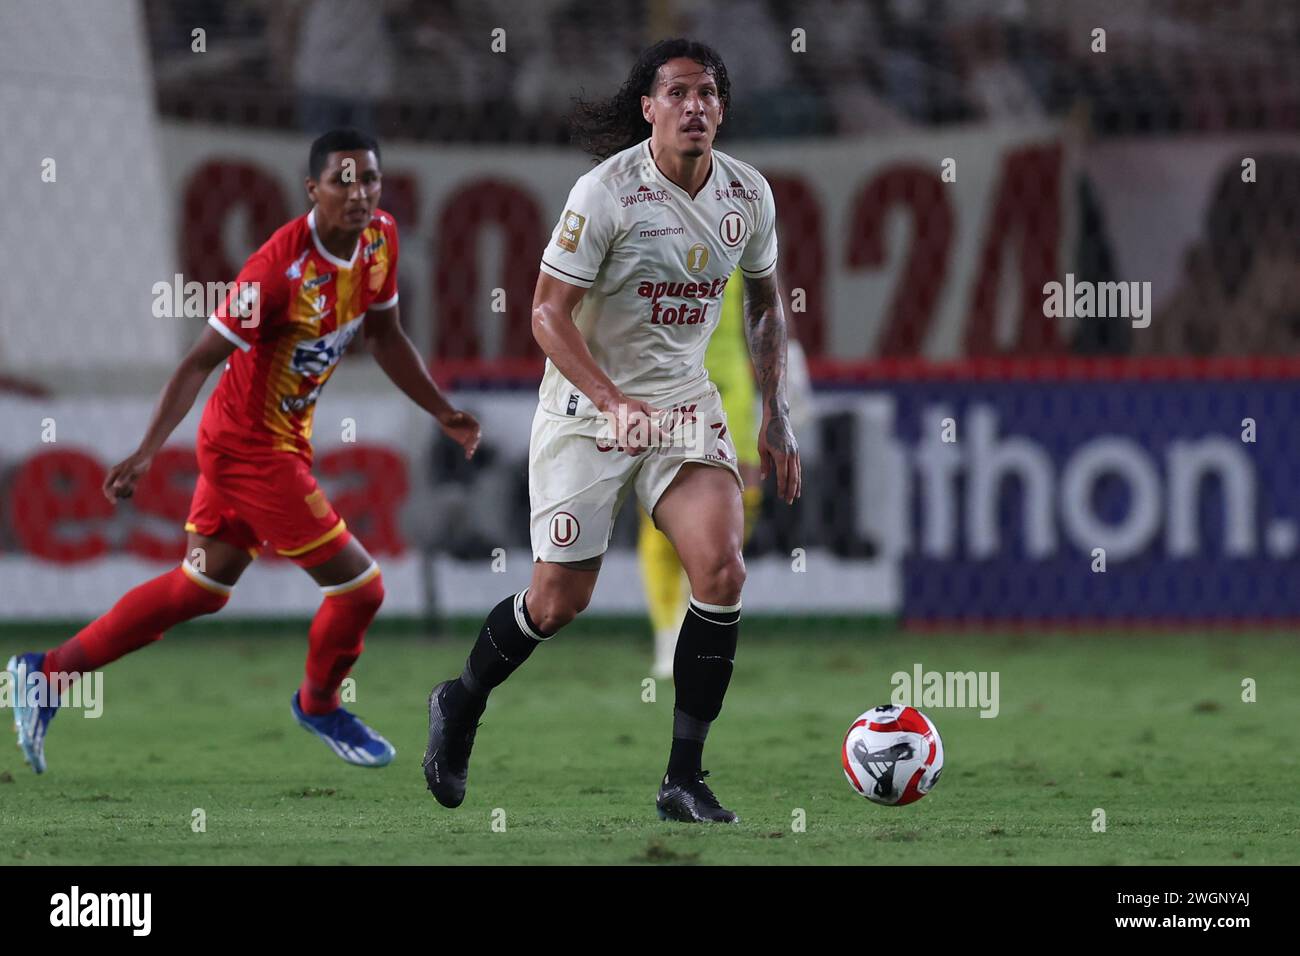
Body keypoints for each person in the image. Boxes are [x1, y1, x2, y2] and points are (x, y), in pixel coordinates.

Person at [7, 129, 480, 774]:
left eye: (369, 179)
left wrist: (441, 409)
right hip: (248, 450)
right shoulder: (275, 271)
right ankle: (319, 704)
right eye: (342, 181)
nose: (359, 193)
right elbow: (199, 360)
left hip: (280, 440)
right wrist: (146, 452)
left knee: (199, 589)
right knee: (361, 590)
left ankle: (46, 673)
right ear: (311, 190)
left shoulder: (381, 240)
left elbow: (386, 335)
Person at [421, 39, 801, 823]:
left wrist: (777, 413)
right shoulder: (605, 192)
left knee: (723, 571)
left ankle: (682, 780)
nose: (695, 106)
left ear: (721, 109)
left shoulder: (748, 194)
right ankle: (459, 702)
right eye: (678, 93)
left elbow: (765, 303)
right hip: (586, 410)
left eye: (708, 94)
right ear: (648, 108)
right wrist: (609, 400)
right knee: (558, 601)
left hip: (683, 402)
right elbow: (545, 313)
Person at [638, 269, 762, 680]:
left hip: (730, 375)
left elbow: (768, 290)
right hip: (668, 377)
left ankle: (700, 604)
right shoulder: (649, 216)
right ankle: (668, 635)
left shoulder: (742, 209)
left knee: (742, 495)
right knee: (663, 503)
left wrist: (786, 356)